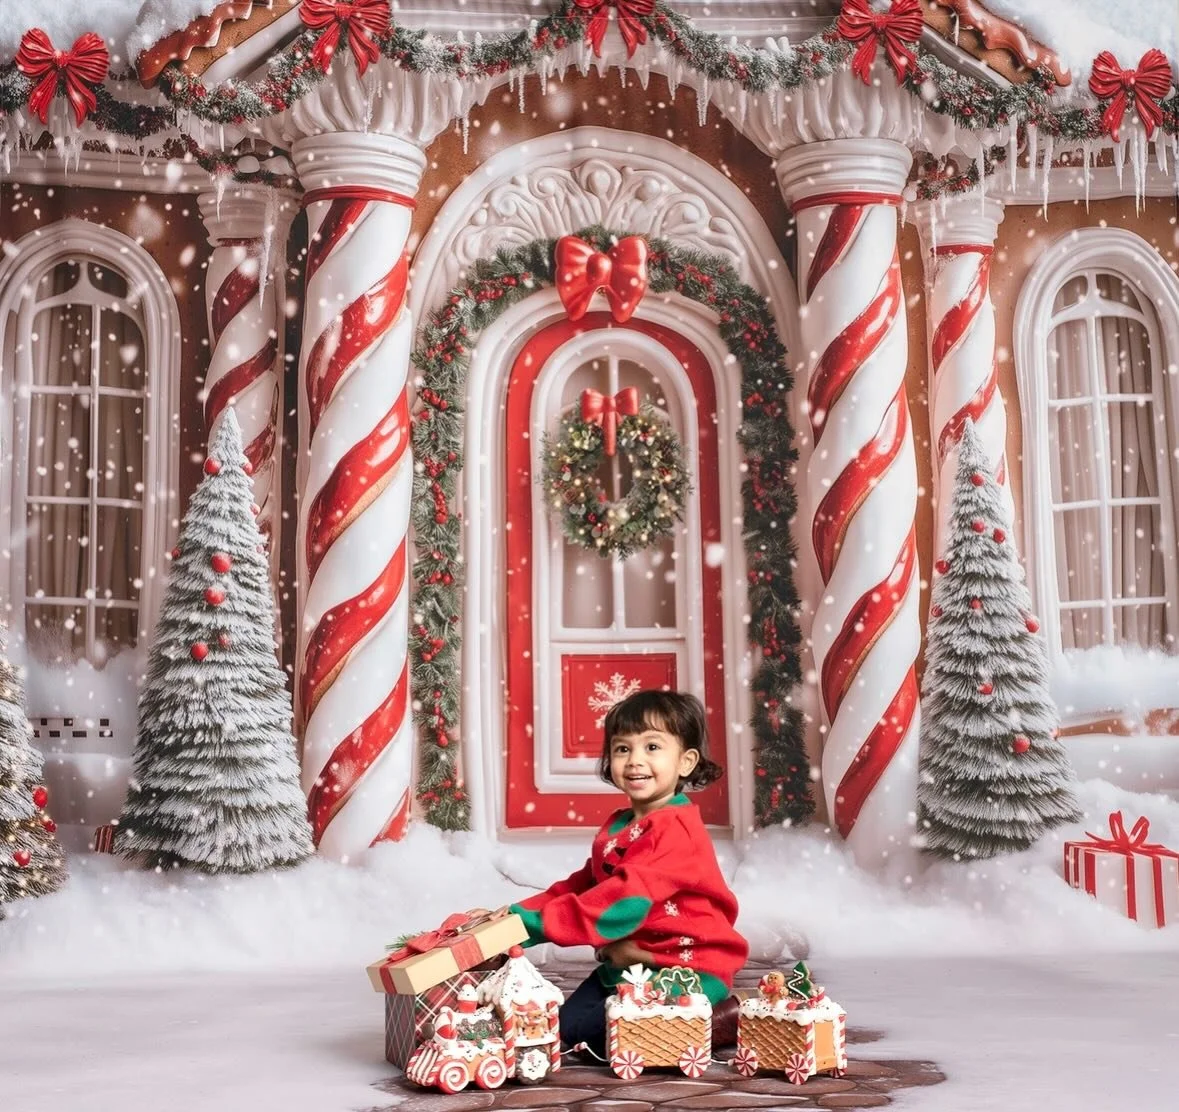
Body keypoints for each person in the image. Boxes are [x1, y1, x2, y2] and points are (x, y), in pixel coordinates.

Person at [507, 690, 748, 1058]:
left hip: (685, 965)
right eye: (622, 749)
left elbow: (623, 901)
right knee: (569, 1028)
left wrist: (532, 928)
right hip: (630, 961)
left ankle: (719, 1020)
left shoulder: (675, 830)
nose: (635, 760)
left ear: (685, 762)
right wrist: (513, 918)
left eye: (652, 747)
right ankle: (654, 1008)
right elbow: (583, 885)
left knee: (608, 1038)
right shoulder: (622, 824)